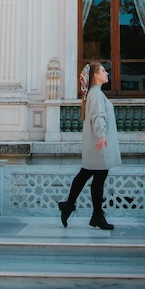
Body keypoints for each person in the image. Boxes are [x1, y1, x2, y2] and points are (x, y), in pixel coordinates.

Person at [58, 61, 121, 230]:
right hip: (98, 144)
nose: (107, 73)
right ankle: (94, 215)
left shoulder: (95, 93)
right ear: (95, 75)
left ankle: (72, 206)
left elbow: (96, 115)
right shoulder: (95, 94)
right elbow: (97, 116)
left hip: (96, 143)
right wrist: (101, 135)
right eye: (103, 71)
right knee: (95, 177)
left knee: (87, 175)